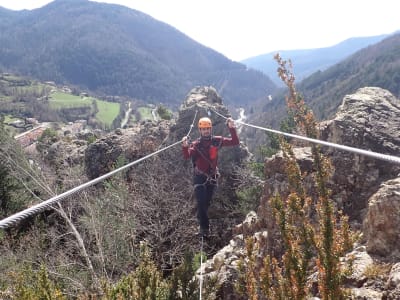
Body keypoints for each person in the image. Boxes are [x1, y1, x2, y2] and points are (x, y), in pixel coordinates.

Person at [182, 116, 239, 237]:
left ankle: (202, 221)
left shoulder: (216, 141)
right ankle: (204, 228)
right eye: (203, 129)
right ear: (200, 130)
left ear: (210, 129)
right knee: (201, 202)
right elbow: (187, 156)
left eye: (207, 128)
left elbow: (235, 142)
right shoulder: (196, 145)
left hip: (212, 177)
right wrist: (185, 146)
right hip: (199, 177)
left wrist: (232, 128)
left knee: (206, 203)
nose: (206, 131)